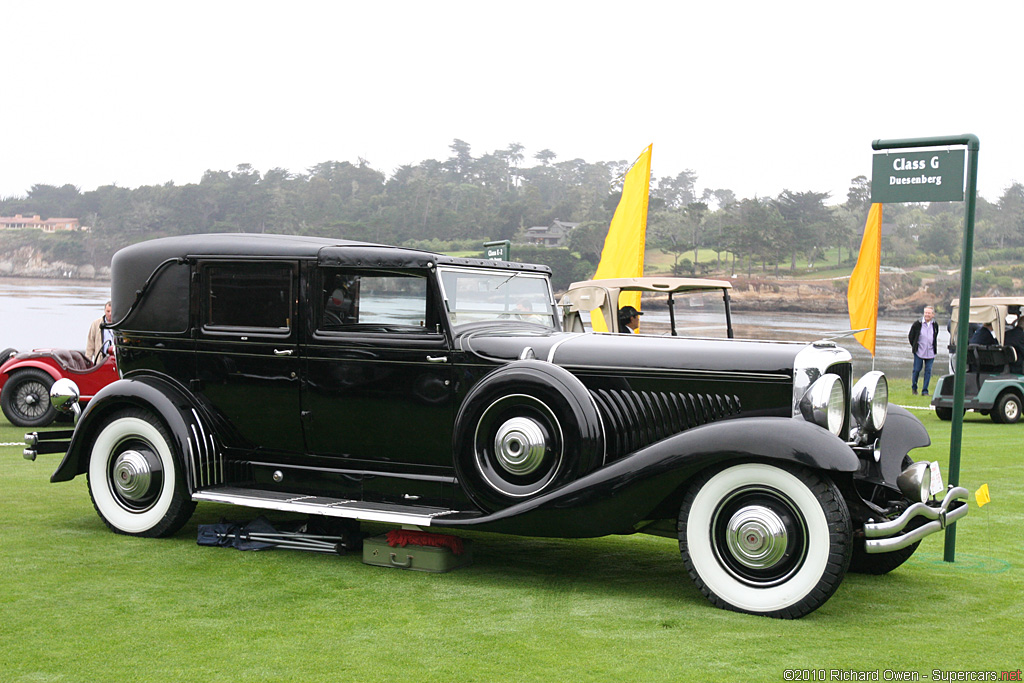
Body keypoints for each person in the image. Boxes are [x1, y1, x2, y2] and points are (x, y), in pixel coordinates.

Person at [908, 305, 938, 396]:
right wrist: (915, 346)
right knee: (916, 370)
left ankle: (925, 391)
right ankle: (914, 388)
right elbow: (911, 336)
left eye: (929, 313)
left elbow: (935, 336)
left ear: (933, 314)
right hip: (919, 352)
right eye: (925, 313)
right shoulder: (917, 324)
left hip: (931, 352)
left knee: (928, 371)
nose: (927, 315)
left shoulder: (935, 325)